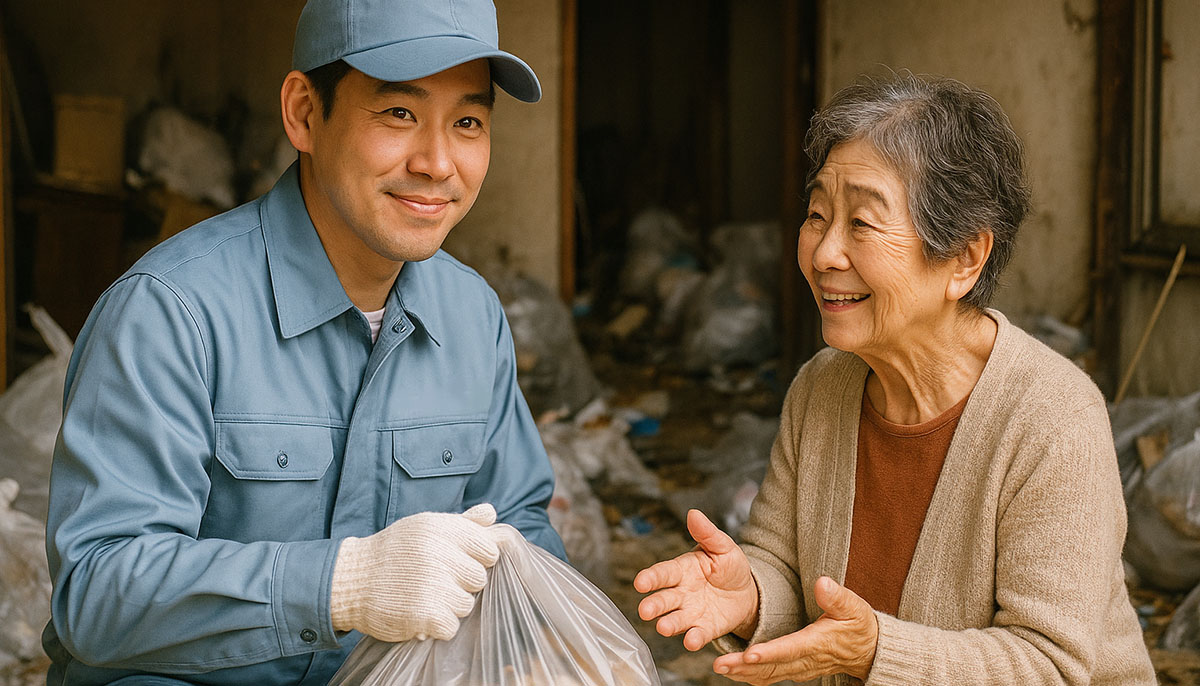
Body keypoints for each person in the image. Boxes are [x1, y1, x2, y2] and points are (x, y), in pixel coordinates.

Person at [43, 1, 565, 684]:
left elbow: (520, 531)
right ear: (303, 113)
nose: (439, 163)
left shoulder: (471, 316)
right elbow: (97, 591)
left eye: (467, 122)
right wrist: (343, 584)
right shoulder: (172, 312)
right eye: (399, 114)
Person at [634, 71, 1156, 685]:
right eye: (817, 214)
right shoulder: (822, 388)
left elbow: (1049, 665)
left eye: (862, 223)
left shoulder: (1052, 418)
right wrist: (749, 594)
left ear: (964, 257)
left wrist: (874, 652)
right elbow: (783, 565)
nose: (825, 252)